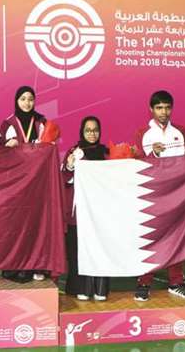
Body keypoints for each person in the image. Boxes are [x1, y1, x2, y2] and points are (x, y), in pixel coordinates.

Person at [133, 90, 185, 301]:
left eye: (167, 107)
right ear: (151, 109)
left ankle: (176, 282)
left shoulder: (181, 132)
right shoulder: (142, 133)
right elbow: (135, 164)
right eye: (159, 107)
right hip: (152, 194)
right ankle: (144, 283)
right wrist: (152, 153)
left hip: (178, 194)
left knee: (177, 237)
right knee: (150, 238)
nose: (164, 112)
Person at [0, 86, 48, 283]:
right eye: (23, 99)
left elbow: (48, 148)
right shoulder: (8, 123)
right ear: (16, 101)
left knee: (35, 224)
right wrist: (4, 144)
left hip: (37, 182)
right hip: (15, 183)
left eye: (30, 99)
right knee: (16, 224)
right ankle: (14, 265)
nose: (27, 103)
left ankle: (35, 265)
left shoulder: (42, 123)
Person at [61, 116, 110, 301]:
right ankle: (81, 287)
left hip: (100, 214)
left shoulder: (106, 153)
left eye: (95, 129)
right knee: (78, 252)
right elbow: (64, 176)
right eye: (88, 130)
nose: (92, 133)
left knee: (100, 250)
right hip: (80, 213)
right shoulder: (74, 152)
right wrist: (71, 164)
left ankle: (100, 288)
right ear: (82, 131)